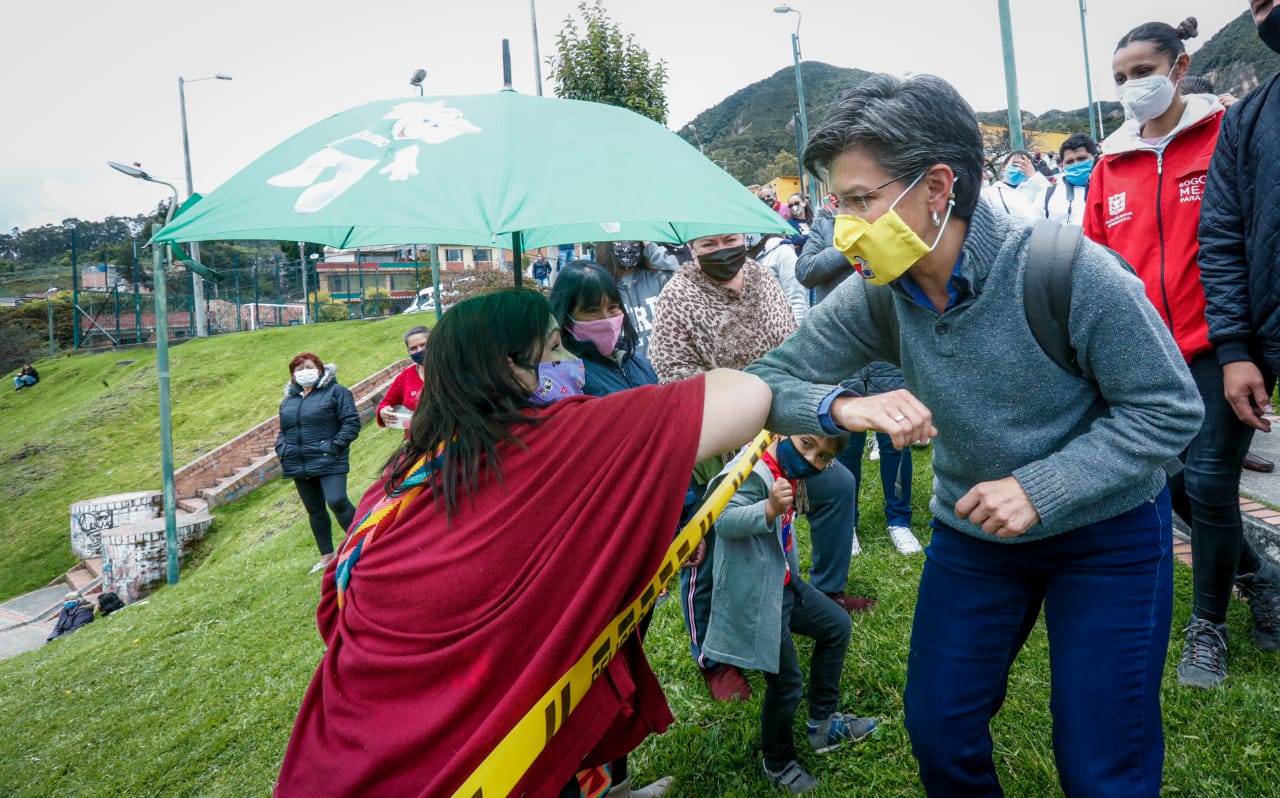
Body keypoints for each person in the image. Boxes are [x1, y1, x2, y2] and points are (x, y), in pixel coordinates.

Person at [749, 73, 1201, 796]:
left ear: (937, 187)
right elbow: (767, 382)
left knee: (1100, 759)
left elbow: (1169, 408)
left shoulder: (1066, 268)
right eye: (839, 203)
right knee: (939, 730)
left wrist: (1043, 487)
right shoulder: (877, 294)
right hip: (975, 535)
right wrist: (841, 409)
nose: (845, 227)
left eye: (862, 200)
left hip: (1108, 532)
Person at [273, 289, 771, 798]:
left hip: (343, 753)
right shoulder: (558, 438)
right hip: (484, 764)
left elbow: (335, 613)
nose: (570, 363)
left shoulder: (399, 478)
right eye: (554, 349)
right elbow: (747, 395)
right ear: (512, 367)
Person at [1083, 16, 1273, 689]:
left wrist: (1243, 342)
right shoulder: (1109, 164)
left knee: (1214, 481)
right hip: (1141, 355)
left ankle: (1209, 631)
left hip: (1220, 344)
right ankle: (1260, 574)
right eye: (1121, 78)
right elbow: (1096, 266)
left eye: (1144, 71)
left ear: (1181, 68)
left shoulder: (1229, 134)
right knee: (1167, 480)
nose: (1134, 86)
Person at [650, 231, 865, 704]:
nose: (723, 250)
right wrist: (743, 407)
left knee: (838, 484)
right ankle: (713, 657)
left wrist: (794, 411)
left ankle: (825, 592)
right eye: (709, 243)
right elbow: (676, 382)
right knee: (707, 544)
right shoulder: (676, 298)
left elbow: (796, 348)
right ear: (691, 248)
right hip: (720, 443)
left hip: (783, 429)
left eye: (730, 239)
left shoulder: (765, 278)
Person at [702, 431, 877, 793]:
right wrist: (767, 509)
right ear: (782, 433)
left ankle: (823, 723)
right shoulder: (752, 469)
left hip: (781, 582)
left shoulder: (787, 469)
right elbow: (722, 520)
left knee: (837, 626)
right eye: (807, 444)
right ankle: (778, 762)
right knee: (785, 683)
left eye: (823, 457)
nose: (812, 459)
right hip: (755, 595)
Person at [1195, 0, 1280, 679]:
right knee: (1204, 477)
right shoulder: (1249, 120)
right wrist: (1235, 349)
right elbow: (1220, 240)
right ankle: (1212, 622)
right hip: (1256, 340)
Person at [795, 192, 922, 556]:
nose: (850, 204)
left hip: (888, 347)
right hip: (842, 351)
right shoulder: (823, 224)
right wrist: (850, 246)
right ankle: (847, 524)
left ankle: (899, 520)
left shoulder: (890, 221)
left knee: (896, 438)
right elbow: (806, 271)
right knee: (841, 438)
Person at [274, 353, 362, 574]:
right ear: (293, 376)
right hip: (298, 462)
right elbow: (284, 431)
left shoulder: (337, 392)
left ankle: (363, 544)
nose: (304, 371)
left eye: (309, 367)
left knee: (337, 500)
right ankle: (327, 555)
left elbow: (351, 422)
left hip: (329, 459)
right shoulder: (289, 401)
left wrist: (334, 447)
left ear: (321, 369)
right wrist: (282, 450)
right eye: (299, 369)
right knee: (314, 510)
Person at [549, 261, 658, 396]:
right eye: (592, 310)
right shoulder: (567, 376)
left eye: (612, 307)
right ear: (565, 318)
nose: (606, 319)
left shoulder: (638, 360)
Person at [593, 241, 677, 360]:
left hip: (663, 366)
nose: (627, 245)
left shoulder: (657, 278)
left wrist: (651, 249)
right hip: (625, 370)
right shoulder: (599, 286)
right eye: (620, 240)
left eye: (633, 240)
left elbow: (685, 278)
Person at [1033, 133, 1099, 226]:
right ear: (1062, 165)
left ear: (1094, 158)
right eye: (1069, 161)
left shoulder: (1111, 190)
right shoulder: (1046, 196)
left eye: (1081, 159)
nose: (1075, 164)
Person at [376, 325, 429, 434]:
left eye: (423, 345)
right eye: (413, 348)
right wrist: (383, 411)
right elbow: (385, 403)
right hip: (419, 442)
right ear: (408, 352)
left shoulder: (452, 370)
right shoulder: (405, 377)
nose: (420, 350)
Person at [747, 232, 809, 326]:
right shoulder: (736, 257)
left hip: (782, 329)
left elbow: (796, 298)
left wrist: (796, 335)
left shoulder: (781, 250)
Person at [980, 150, 1046, 219]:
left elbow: (1050, 200)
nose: (1019, 168)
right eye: (1015, 164)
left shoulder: (1033, 188)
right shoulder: (989, 194)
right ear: (1004, 167)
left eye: (1024, 166)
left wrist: (1033, 176)